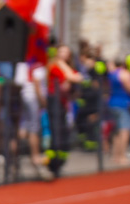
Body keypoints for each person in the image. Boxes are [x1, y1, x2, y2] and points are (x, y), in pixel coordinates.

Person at [44, 44, 83, 178]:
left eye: (66, 52)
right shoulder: (55, 66)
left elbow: (78, 77)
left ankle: (60, 161)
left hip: (64, 103)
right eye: (61, 51)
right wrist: (62, 65)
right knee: (56, 132)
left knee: (64, 132)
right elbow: (71, 77)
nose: (63, 54)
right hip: (54, 102)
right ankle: (53, 163)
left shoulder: (68, 67)